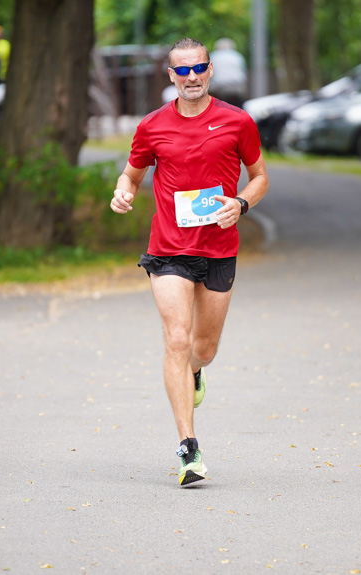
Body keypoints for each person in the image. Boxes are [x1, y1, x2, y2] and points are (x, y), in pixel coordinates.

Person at [109, 37, 268, 487]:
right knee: (176, 340)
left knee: (203, 349)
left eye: (198, 69)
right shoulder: (152, 126)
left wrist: (241, 203)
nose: (191, 77)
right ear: (171, 76)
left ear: (211, 70)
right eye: (182, 71)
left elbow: (259, 178)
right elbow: (132, 173)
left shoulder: (237, 122)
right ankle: (188, 449)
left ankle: (195, 372)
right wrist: (124, 192)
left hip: (219, 248)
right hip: (169, 248)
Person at [206, 38, 247, 107]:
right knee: (237, 107)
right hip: (236, 88)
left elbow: (209, 74)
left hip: (219, 88)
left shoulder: (213, 56)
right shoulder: (238, 56)